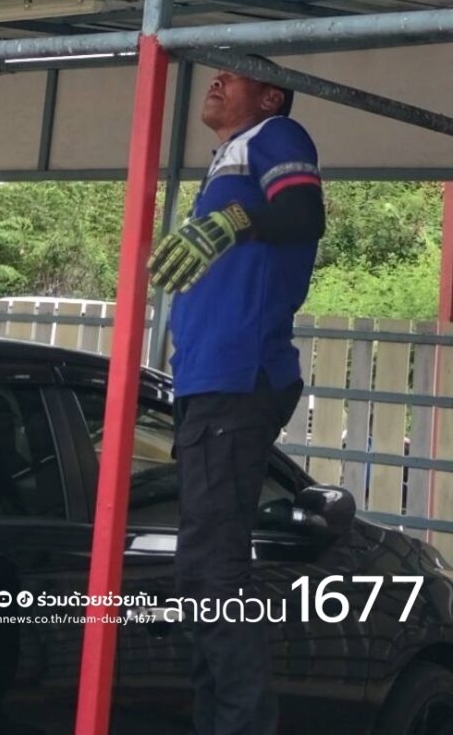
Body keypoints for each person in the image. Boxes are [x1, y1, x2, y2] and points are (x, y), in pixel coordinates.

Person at [148, 57, 325, 735]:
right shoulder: (227, 160)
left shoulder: (276, 136)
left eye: (234, 75)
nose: (215, 82)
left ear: (271, 96)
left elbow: (304, 214)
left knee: (214, 572)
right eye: (215, 73)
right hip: (209, 381)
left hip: (237, 378)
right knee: (200, 573)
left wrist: (233, 219)